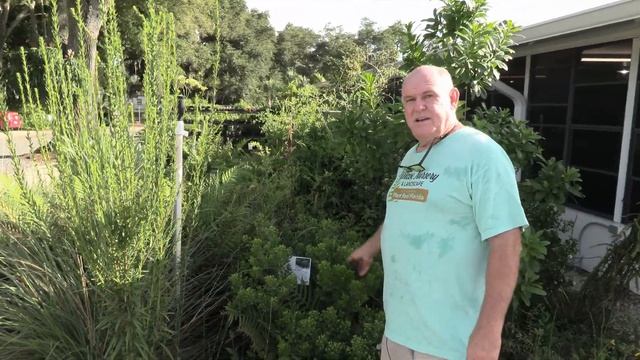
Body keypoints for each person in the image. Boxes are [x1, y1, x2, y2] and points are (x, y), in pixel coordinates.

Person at [348, 65, 528, 360]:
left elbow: (507, 243)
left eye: (429, 96)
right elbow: (404, 212)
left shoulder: (482, 154)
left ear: (453, 98)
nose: (418, 106)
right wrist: (370, 248)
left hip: (451, 344)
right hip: (398, 333)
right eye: (409, 99)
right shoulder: (413, 155)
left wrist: (489, 332)